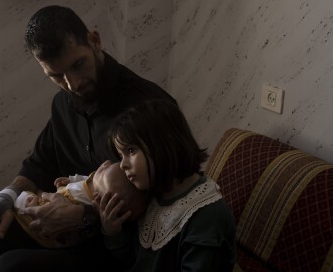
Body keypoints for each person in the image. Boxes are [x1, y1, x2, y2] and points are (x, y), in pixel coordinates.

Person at [0, 5, 174, 272]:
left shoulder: (148, 105)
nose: (73, 84)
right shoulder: (64, 104)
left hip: (120, 245)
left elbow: (163, 203)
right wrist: (2, 199)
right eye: (56, 76)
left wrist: (85, 219)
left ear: (94, 41)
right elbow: (39, 165)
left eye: (78, 65)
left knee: (10, 267)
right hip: (67, 232)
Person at [95, 99, 237, 272]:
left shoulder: (207, 215)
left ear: (165, 142)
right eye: (121, 155)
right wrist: (113, 232)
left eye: (131, 151)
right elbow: (132, 259)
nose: (123, 164)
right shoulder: (150, 193)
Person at [13, 160, 148, 248]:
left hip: (42, 223)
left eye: (104, 171)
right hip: (53, 200)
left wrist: (108, 228)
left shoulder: (87, 202)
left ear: (101, 198)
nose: (105, 163)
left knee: (26, 198)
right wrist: (69, 180)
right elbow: (84, 179)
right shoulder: (94, 182)